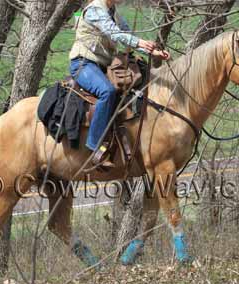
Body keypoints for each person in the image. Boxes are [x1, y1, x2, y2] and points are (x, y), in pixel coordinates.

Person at [69, 0, 170, 167]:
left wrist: (153, 51)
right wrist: (139, 43)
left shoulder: (113, 11)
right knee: (107, 92)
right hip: (83, 64)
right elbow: (114, 34)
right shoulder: (95, 9)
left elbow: (127, 34)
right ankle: (94, 147)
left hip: (103, 66)